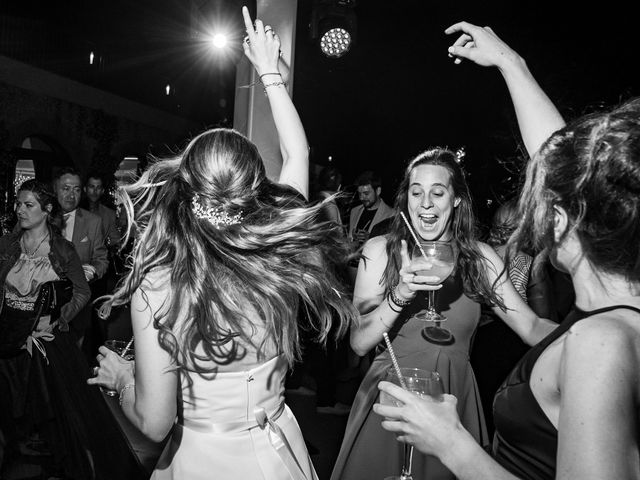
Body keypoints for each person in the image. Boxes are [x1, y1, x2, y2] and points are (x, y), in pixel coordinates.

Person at [88, 7, 358, 480]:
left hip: (202, 460)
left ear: (185, 192)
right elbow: (299, 153)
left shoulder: (159, 284)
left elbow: (154, 424)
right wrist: (270, 71)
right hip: (277, 446)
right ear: (256, 193)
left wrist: (122, 379)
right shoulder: (279, 254)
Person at [374, 21, 640, 480]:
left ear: (564, 220)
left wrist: (455, 446)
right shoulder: (617, 307)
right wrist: (509, 63)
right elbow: (560, 162)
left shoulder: (602, 341)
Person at [330, 142, 556, 479]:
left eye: (438, 192)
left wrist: (600, 329)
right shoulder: (380, 250)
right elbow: (359, 342)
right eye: (416, 192)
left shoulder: (479, 258)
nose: (426, 203)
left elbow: (532, 326)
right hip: (392, 396)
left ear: (457, 199)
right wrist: (400, 294)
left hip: (453, 400)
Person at [0, 180, 124, 479]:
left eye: (28, 205)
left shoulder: (62, 249)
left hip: (42, 340)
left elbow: (82, 292)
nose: (20, 210)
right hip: (6, 337)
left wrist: (57, 318)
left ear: (47, 210)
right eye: (18, 204)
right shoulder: (6, 245)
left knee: (47, 413)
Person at [54, 167, 108, 348]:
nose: (71, 194)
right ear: (56, 189)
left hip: (78, 301)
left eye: (76, 189)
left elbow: (101, 259)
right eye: (66, 188)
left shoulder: (93, 221)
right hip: (45, 304)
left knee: (73, 359)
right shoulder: (41, 217)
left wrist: (90, 271)